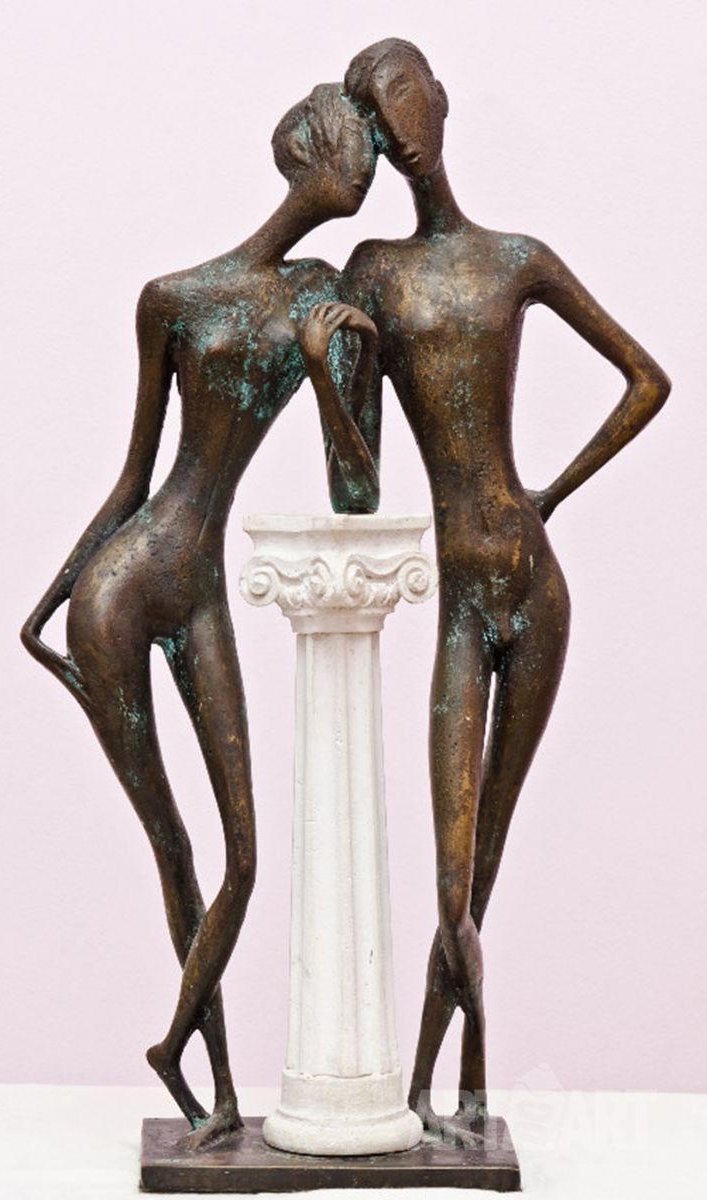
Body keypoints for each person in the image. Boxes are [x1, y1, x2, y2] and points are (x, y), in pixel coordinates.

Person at [306, 38, 670, 1143]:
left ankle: (448, 1091)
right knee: (451, 877)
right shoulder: (373, 273)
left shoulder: (516, 260)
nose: (397, 123)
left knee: (486, 864)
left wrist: (548, 494)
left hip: (532, 586)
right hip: (461, 602)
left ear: (441, 100)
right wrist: (328, 377)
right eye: (376, 111)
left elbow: (646, 379)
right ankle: (438, 1082)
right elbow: (358, 489)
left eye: (403, 94)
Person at [21, 83, 379, 1150]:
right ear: (309, 158)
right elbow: (132, 480)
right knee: (172, 843)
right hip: (122, 588)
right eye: (354, 148)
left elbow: (355, 496)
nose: (366, 169)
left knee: (243, 855)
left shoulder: (320, 296)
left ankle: (176, 1046)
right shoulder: (171, 299)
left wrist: (324, 375)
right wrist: (46, 609)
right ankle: (214, 1092)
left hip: (201, 586)